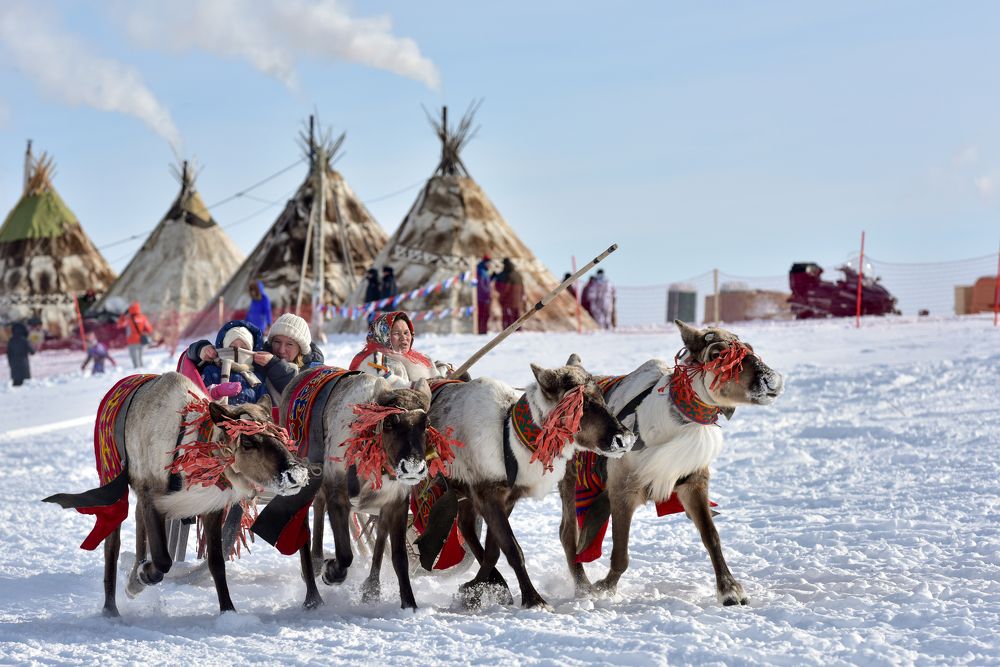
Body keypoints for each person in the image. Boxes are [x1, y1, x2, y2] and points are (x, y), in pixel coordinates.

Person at [349, 311, 452, 388]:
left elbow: (436, 372)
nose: (404, 338)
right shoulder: (372, 359)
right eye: (396, 334)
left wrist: (448, 371)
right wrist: (421, 386)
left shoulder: (420, 358)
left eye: (406, 333)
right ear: (383, 336)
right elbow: (391, 385)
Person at [186, 320, 269, 405]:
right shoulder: (211, 371)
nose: (238, 350)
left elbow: (264, 405)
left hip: (248, 413)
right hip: (216, 412)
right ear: (224, 347)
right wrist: (216, 392)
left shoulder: (256, 377)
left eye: (244, 348)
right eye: (231, 346)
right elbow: (199, 397)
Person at [116, 302, 153, 369]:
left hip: (132, 342)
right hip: (141, 341)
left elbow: (119, 325)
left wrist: (123, 315)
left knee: (135, 361)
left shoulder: (128, 319)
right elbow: (149, 329)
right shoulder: (143, 318)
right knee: (140, 359)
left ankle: (138, 372)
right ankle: (142, 372)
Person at [494, 258, 525, 329]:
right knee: (516, 314)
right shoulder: (517, 274)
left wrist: (501, 297)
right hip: (517, 299)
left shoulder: (508, 275)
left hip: (508, 299)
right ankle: (518, 329)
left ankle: (507, 328)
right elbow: (522, 287)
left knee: (507, 315)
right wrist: (521, 296)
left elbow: (506, 289)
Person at [5, 322, 34, 387]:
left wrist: (10, 363)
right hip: (23, 364)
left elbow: (8, 353)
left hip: (14, 364)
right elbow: (32, 352)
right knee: (24, 385)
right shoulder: (25, 340)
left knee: (16, 383)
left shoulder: (11, 341)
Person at [476, 255, 493, 334]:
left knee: (485, 315)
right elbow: (482, 286)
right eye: (489, 263)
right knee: (483, 315)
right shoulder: (481, 272)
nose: (490, 265)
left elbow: (486, 283)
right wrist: (488, 293)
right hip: (482, 298)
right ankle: (482, 331)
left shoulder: (484, 271)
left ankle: (483, 330)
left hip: (484, 297)